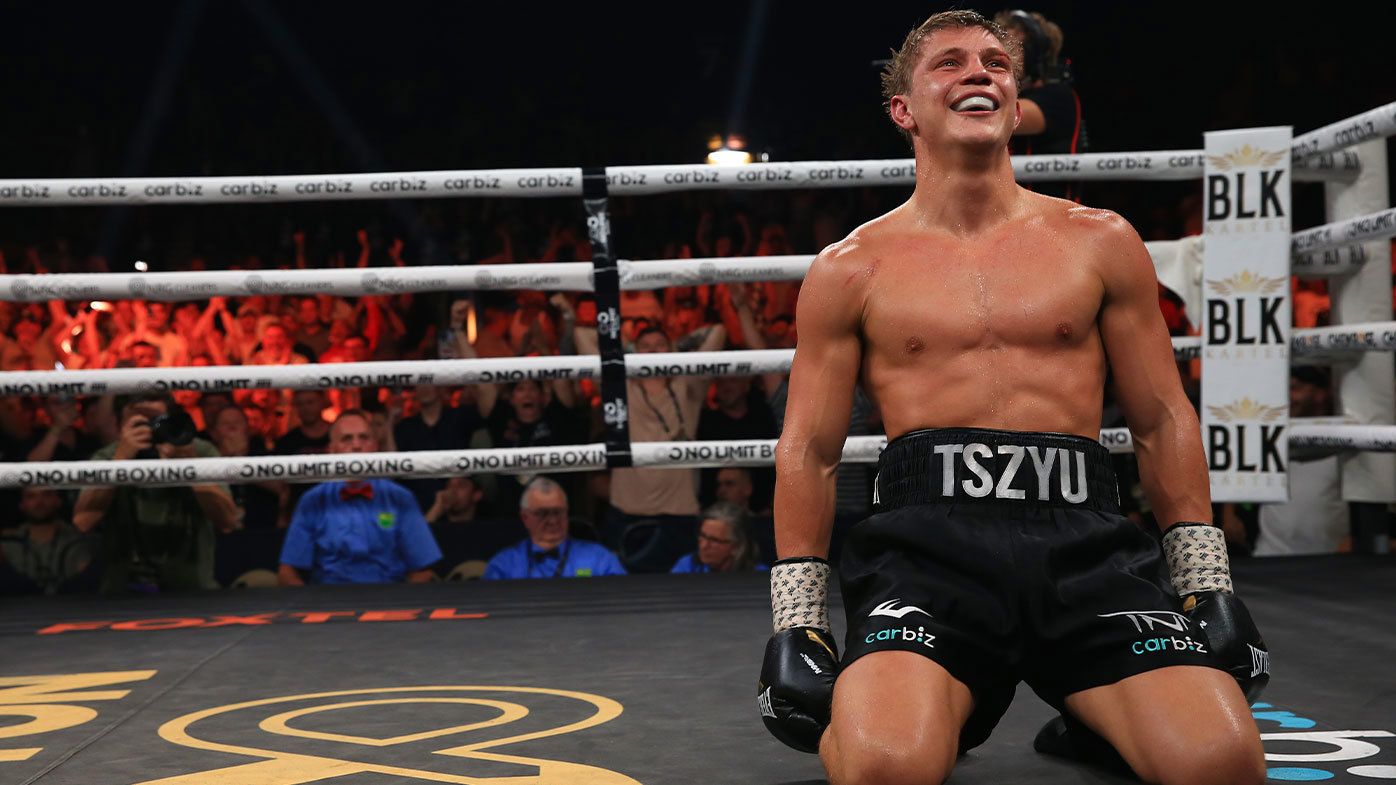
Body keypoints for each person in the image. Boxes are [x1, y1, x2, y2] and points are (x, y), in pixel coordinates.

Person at [756, 12, 1267, 785]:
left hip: (1086, 549)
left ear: (1014, 94)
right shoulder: (851, 266)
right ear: (904, 110)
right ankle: (916, 708)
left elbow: (1163, 417)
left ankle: (1094, 721)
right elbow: (810, 449)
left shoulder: (1099, 240)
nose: (980, 73)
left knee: (1222, 764)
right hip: (929, 560)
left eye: (997, 62)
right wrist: (796, 621)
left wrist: (1206, 582)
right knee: (886, 767)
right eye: (951, 63)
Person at [73, 392, 240, 592]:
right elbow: (83, 522)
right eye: (139, 423)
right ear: (119, 427)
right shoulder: (108, 458)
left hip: (193, 590)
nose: (151, 430)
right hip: (121, 593)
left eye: (157, 421)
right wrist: (120, 464)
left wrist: (190, 467)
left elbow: (228, 522)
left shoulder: (197, 451)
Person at [278, 409, 441, 585]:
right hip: (328, 600)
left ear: (375, 446)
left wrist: (397, 605)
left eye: (364, 438)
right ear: (331, 450)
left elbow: (423, 570)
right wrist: (313, 606)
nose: (356, 446)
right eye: (346, 439)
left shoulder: (400, 497)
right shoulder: (312, 500)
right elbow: (287, 572)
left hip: (389, 599)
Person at [995, 9, 1087, 201]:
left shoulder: (1058, 97)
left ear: (1034, 55)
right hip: (1010, 219)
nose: (1000, 54)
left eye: (1012, 47)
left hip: (1056, 224)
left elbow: (998, 116)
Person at [483, 477, 626, 580]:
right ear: (525, 518)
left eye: (558, 512)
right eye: (543, 514)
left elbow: (622, 599)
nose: (552, 520)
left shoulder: (599, 558)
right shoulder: (504, 564)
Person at [670, 502, 766, 574]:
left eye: (714, 540)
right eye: (702, 536)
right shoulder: (687, 566)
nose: (703, 545)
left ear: (736, 547)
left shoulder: (761, 575)